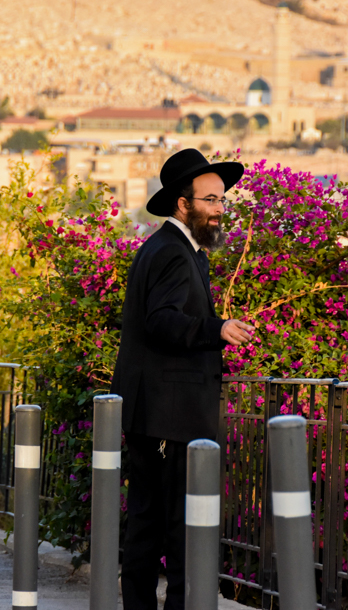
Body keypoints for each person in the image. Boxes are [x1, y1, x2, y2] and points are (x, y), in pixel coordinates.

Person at [110, 148, 255, 610]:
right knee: (173, 526)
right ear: (182, 204)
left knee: (149, 523)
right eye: (210, 199)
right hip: (168, 415)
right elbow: (162, 321)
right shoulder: (173, 253)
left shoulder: (170, 249)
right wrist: (217, 329)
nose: (219, 209)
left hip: (156, 412)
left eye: (222, 200)